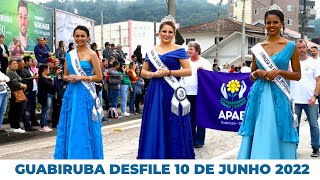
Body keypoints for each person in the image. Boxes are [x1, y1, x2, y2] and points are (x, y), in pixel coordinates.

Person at [237, 4, 301, 159]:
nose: (271, 26)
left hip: (279, 93)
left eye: (275, 22)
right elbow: (251, 76)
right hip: (259, 94)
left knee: (278, 127)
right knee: (258, 127)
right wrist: (257, 72)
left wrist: (279, 71)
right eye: (268, 22)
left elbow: (298, 75)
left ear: (282, 24)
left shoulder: (291, 46)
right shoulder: (258, 48)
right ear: (265, 24)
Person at [137, 16, 194, 159]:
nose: (167, 34)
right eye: (164, 31)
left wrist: (169, 72)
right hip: (155, 92)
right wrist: (152, 74)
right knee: (155, 123)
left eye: (170, 32)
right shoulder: (151, 52)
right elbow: (143, 72)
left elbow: (188, 71)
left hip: (173, 92)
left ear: (174, 34)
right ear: (159, 33)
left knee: (174, 122)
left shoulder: (180, 50)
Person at [54, 25, 103, 159]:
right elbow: (64, 75)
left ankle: (86, 157)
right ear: (74, 37)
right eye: (77, 36)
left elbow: (99, 77)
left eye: (83, 36)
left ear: (87, 37)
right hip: (72, 93)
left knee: (83, 125)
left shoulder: (92, 54)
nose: (80, 38)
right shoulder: (70, 55)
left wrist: (81, 77)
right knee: (71, 124)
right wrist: (68, 78)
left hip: (86, 94)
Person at [290, 39, 320, 157]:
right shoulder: (291, 63)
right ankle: (294, 147)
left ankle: (316, 147)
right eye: (298, 48)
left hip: (310, 100)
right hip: (295, 100)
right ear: (295, 49)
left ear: (307, 48)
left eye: (303, 47)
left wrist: (315, 96)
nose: (301, 50)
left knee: (313, 124)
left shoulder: (314, 63)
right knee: (294, 125)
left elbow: (318, 81)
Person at [184, 41, 212, 149]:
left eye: (191, 49)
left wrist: (203, 70)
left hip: (200, 93)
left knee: (200, 117)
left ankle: (199, 140)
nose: (189, 51)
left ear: (197, 51)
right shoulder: (186, 62)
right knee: (189, 117)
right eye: (188, 49)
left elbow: (210, 76)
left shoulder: (204, 62)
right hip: (187, 93)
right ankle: (191, 139)